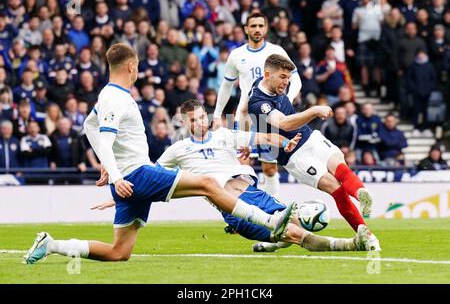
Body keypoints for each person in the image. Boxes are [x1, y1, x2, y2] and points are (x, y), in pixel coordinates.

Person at [23, 43, 296, 265]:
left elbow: (88, 127)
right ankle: (269, 220)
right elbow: (105, 141)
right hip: (137, 175)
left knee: (119, 252)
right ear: (132, 67)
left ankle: (52, 245)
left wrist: (110, 169)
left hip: (129, 183)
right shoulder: (116, 98)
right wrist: (115, 175)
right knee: (207, 184)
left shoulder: (109, 95)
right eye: (138, 66)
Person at [93, 99, 373, 253]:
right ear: (184, 123)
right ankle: (348, 245)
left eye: (202, 117)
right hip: (235, 207)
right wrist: (117, 195)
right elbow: (151, 175)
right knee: (297, 233)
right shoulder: (178, 149)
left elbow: (257, 135)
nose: (199, 122)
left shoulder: (224, 135)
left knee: (298, 223)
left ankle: (272, 243)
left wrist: (282, 143)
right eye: (193, 120)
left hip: (257, 194)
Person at [247, 54, 380, 252]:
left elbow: (294, 79)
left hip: (310, 137)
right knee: (336, 188)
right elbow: (283, 122)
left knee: (340, 164)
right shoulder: (259, 103)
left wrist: (292, 85)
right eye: (283, 77)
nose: (287, 81)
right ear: (267, 75)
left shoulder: (268, 82)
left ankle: (361, 194)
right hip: (294, 155)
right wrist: (314, 110)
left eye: (288, 77)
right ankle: (365, 233)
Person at [213, 12, 302, 200]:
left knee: (269, 168)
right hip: (245, 116)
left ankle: (274, 210)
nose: (257, 29)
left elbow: (297, 79)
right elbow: (226, 85)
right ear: (246, 29)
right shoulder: (237, 55)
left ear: (266, 28)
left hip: (269, 114)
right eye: (253, 26)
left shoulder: (276, 51)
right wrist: (216, 114)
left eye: (261, 26)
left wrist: (288, 100)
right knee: (241, 165)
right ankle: (241, 215)